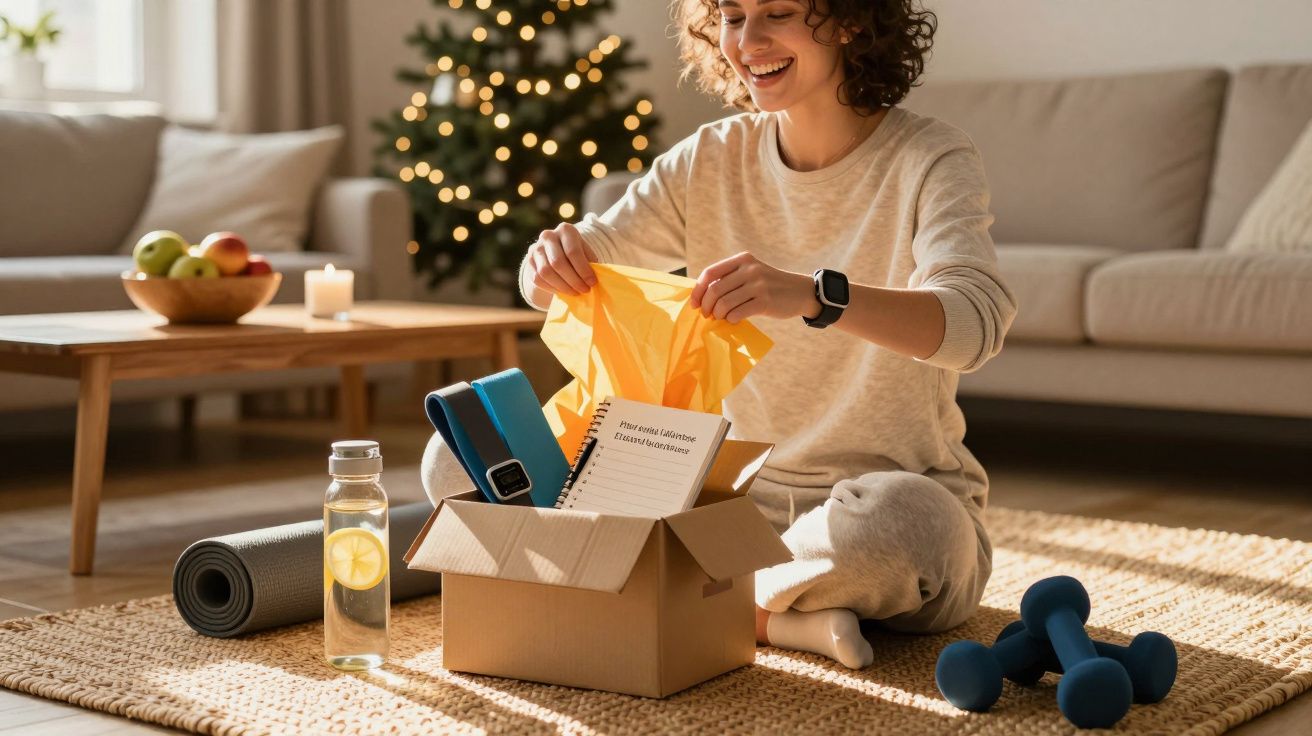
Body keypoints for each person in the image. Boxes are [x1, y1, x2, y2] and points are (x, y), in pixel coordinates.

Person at [486, 0, 1016, 670]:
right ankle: (780, 614)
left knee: (907, 524)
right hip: (727, 510)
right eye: (733, 16)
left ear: (852, 20)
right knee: (458, 458)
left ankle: (711, 602)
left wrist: (814, 295)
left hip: (882, 506)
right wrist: (547, 263)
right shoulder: (708, 159)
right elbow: (570, 274)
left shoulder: (930, 158)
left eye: (779, 12)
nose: (749, 39)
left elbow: (975, 324)